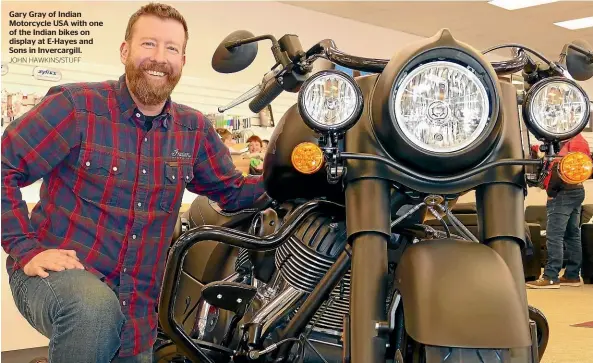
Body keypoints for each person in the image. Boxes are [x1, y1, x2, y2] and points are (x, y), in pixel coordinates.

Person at [1, 3, 265, 363]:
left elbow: (232, 192)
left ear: (183, 61)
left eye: (171, 48)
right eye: (148, 44)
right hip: (53, 277)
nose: (159, 58)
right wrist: (24, 247)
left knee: (110, 324)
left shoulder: (194, 131)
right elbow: (4, 165)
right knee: (93, 311)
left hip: (136, 315)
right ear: (125, 50)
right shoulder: (77, 107)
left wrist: (292, 174)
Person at [527, 133, 591, 289]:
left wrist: (551, 193)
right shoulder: (580, 141)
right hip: (577, 190)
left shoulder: (567, 142)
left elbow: (558, 167)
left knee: (554, 236)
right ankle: (572, 275)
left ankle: (550, 277)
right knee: (572, 235)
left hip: (562, 192)